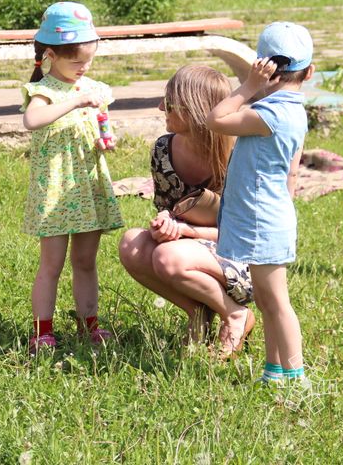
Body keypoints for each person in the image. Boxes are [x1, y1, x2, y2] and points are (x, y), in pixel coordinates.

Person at [119, 65, 256, 356]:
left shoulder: (239, 155)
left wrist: (186, 231)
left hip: (245, 260)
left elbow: (249, 231)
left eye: (169, 103)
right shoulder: (163, 150)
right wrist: (166, 221)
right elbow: (168, 208)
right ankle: (198, 315)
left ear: (194, 109)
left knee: (169, 256)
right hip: (191, 248)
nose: (160, 107)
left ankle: (235, 315)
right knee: (132, 243)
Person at [206, 21, 312, 386]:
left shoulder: (269, 114)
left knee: (277, 302)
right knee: (267, 301)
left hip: (262, 219)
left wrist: (248, 87)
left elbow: (216, 119)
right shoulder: (292, 110)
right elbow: (292, 173)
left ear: (262, 66)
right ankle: (274, 371)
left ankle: (297, 376)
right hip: (270, 213)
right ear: (309, 72)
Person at [21, 2, 123, 353]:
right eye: (76, 62)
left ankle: (88, 324)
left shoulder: (94, 88)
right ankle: (41, 330)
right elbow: (32, 121)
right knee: (51, 264)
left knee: (85, 261)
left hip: (86, 187)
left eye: (89, 61)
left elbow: (101, 124)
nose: (84, 68)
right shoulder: (44, 91)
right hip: (56, 190)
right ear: (51, 55)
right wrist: (75, 102)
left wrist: (104, 138)